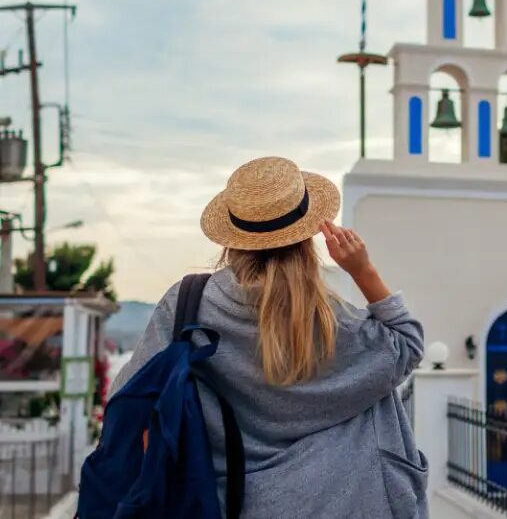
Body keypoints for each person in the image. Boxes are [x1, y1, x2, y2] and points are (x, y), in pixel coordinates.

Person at [110, 156, 427, 518]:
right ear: (306, 238)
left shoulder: (188, 305)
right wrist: (362, 270)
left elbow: (130, 395)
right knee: (376, 385)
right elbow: (407, 344)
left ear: (233, 239)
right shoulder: (330, 321)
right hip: (346, 500)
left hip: (232, 502)